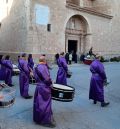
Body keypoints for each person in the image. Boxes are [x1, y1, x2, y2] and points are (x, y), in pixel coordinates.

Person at [33, 55, 56, 128]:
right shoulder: (44, 67)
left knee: (38, 104)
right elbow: (47, 79)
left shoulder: (35, 67)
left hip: (38, 87)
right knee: (45, 105)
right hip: (44, 88)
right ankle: (45, 121)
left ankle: (38, 119)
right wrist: (51, 83)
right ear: (44, 61)